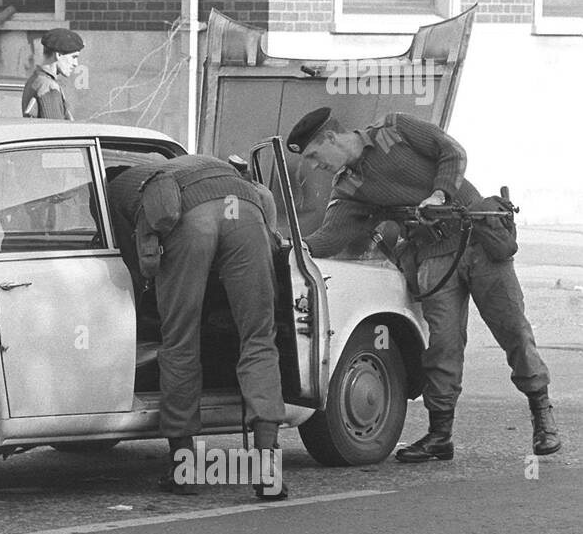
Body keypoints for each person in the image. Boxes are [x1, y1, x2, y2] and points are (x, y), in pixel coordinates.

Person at [286, 106, 559, 462]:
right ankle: (440, 436)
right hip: (432, 255)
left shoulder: (394, 129)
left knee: (514, 333)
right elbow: (331, 236)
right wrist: (290, 246)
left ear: (331, 138)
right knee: (442, 347)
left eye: (314, 155)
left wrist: (440, 193)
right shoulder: (348, 187)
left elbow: (452, 152)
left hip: (479, 242)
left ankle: (543, 418)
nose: (313, 165)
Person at [108, 156, 287, 499]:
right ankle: (267, 473)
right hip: (246, 211)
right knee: (259, 339)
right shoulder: (181, 162)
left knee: (179, 343)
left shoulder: (113, 189)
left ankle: (184, 471)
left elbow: (135, 261)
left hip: (190, 218)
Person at [21, 28, 83, 120]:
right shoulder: (48, 86)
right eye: (73, 57)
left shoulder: (35, 79)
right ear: (58, 55)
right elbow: (56, 130)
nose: (75, 63)